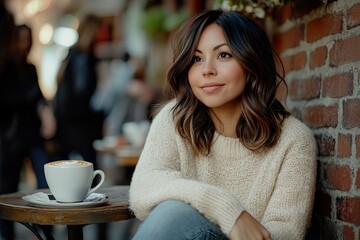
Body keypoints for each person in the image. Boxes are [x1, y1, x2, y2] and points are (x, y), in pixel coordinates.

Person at [129, 9, 317, 240]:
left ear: (252, 63)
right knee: (172, 212)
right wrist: (227, 209)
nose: (207, 70)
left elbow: (286, 232)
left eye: (224, 55)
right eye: (196, 59)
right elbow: (144, 188)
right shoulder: (174, 118)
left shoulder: (293, 140)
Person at [53, 14, 104, 169]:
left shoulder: (71, 54)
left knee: (66, 167)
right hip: (80, 123)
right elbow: (82, 90)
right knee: (88, 166)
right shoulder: (84, 57)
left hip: (66, 120)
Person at [15, 24, 57, 189]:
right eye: (21, 40)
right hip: (12, 136)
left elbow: (38, 97)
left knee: (45, 180)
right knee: (8, 186)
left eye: (28, 40)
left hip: (32, 133)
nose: (25, 44)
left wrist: (46, 113)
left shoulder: (30, 68)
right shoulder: (7, 69)